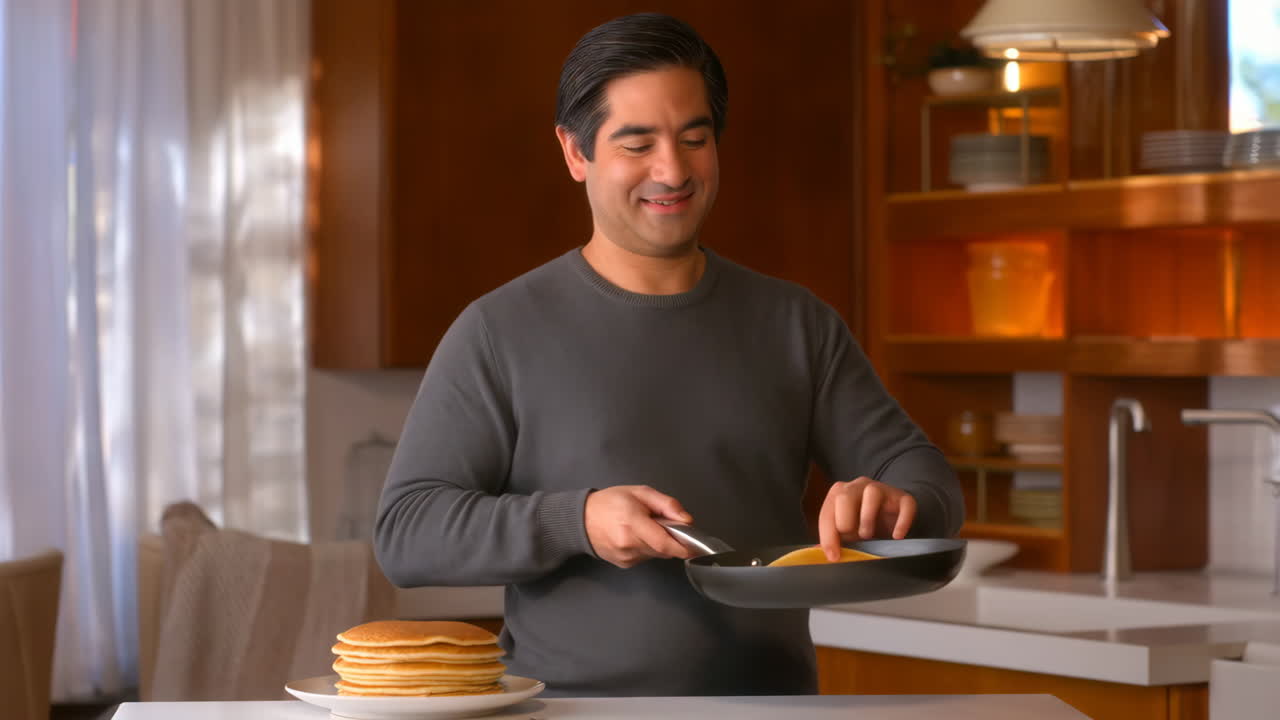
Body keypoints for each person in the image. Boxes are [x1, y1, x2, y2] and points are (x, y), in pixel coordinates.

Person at [375, 12, 963, 698]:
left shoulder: (795, 323)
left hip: (773, 711)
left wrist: (893, 500)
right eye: (638, 143)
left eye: (695, 138)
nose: (673, 170)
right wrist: (580, 520)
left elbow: (929, 483)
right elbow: (406, 532)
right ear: (575, 151)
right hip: (568, 713)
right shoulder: (498, 331)